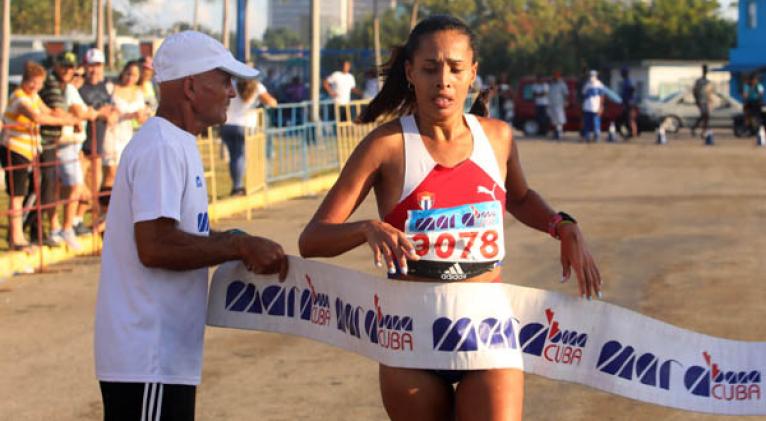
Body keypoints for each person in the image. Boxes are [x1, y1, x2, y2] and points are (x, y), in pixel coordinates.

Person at [299, 15, 601, 421]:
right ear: (410, 72)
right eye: (429, 68)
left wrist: (562, 225)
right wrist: (366, 228)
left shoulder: (497, 138)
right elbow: (313, 239)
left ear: (473, 73)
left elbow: (521, 197)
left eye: (456, 69)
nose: (443, 80)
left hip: (486, 328)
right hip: (409, 336)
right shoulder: (386, 145)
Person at [94, 31, 289, 420]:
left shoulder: (177, 142)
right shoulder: (162, 146)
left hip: (162, 357)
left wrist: (235, 239)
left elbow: (178, 235)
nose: (232, 92)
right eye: (224, 80)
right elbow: (155, 245)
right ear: (190, 86)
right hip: (148, 357)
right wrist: (236, 247)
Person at [1, 61, 78, 250]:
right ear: (26, 80)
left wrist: (68, 118)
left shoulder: (33, 96)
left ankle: (19, 236)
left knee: (26, 193)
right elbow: (37, 117)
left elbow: (48, 111)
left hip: (28, 150)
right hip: (15, 149)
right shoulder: (20, 98)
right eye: (33, 82)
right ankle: (16, 238)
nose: (36, 87)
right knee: (16, 196)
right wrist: (67, 121)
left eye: (40, 83)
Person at [79, 48, 118, 232]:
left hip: (98, 145)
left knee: (94, 189)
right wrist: (100, 113)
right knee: (78, 188)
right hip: (81, 145)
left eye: (98, 65)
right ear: (85, 66)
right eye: (91, 65)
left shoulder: (106, 87)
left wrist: (110, 113)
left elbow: (112, 108)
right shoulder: (79, 87)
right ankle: (74, 223)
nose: (95, 69)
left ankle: (93, 224)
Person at [221, 78, 277, 196]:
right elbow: (271, 102)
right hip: (245, 126)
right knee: (241, 156)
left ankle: (236, 185)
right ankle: (238, 187)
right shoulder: (257, 86)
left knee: (233, 157)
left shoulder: (231, 84)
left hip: (227, 124)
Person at [106, 61, 149, 180]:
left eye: (134, 75)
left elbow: (143, 118)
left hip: (131, 136)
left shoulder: (139, 93)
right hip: (112, 134)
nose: (130, 78)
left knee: (128, 174)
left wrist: (142, 116)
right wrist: (130, 115)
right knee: (112, 173)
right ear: (123, 72)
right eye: (128, 73)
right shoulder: (111, 88)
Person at [581, 70, 605, 142]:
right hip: (587, 108)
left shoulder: (600, 85)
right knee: (587, 123)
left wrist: (601, 107)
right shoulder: (586, 85)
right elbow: (583, 96)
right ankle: (587, 137)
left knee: (596, 123)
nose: (591, 77)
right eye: (590, 75)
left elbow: (602, 97)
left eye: (593, 75)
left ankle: (597, 137)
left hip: (596, 108)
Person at [691, 64, 714, 137]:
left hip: (706, 101)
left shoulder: (708, 81)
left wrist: (710, 99)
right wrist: (696, 100)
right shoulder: (699, 81)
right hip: (701, 100)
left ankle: (702, 131)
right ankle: (696, 128)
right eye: (704, 70)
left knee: (705, 116)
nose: (705, 72)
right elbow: (694, 90)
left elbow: (709, 92)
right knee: (704, 115)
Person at [617, 67, 638, 139]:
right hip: (627, 102)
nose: (621, 74)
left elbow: (632, 89)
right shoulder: (625, 81)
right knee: (626, 119)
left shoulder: (628, 81)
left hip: (629, 103)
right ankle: (630, 133)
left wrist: (629, 100)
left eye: (622, 73)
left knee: (630, 118)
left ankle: (633, 133)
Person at [547, 71, 568, 140]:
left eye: (557, 76)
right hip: (551, 104)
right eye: (554, 76)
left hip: (559, 104)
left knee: (560, 119)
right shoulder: (551, 84)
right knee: (554, 120)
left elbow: (566, 94)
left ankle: (559, 134)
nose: (555, 78)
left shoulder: (562, 84)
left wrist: (566, 102)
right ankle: (556, 133)